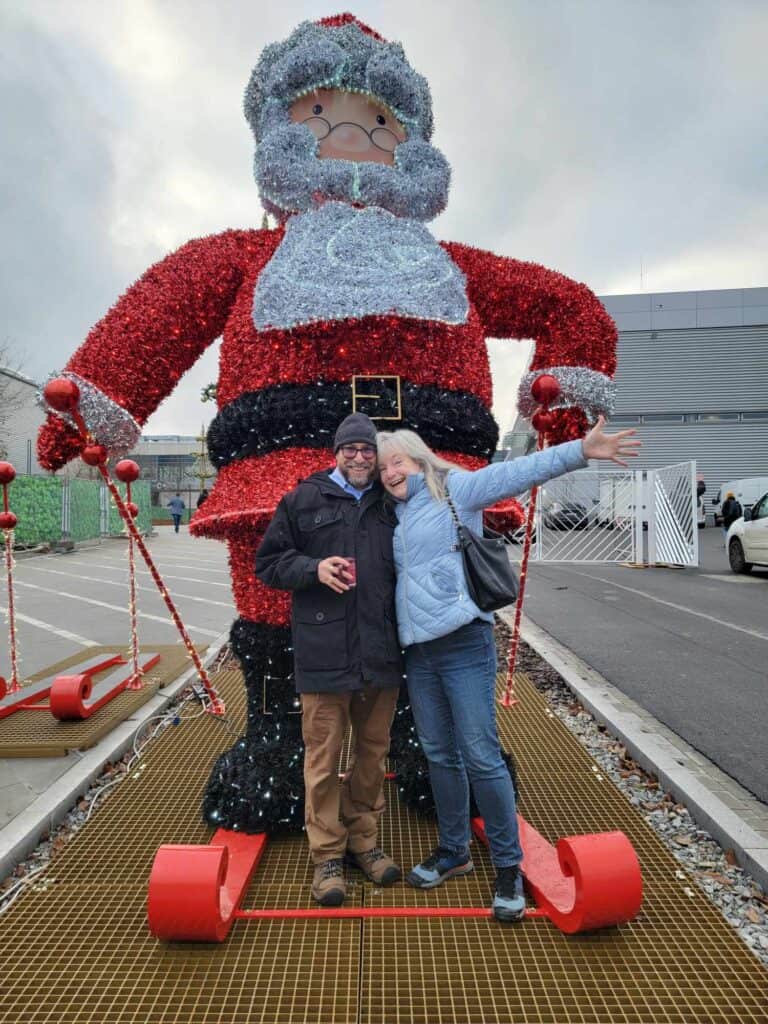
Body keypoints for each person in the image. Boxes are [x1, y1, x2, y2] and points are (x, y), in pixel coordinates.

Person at [376, 416, 641, 922]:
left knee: (480, 754)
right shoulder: (395, 516)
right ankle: (454, 852)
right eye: (385, 464)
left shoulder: (458, 490)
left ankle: (507, 866)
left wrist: (580, 450)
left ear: (420, 459)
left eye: (399, 460)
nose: (391, 471)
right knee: (438, 753)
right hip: (420, 653)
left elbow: (520, 471)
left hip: (464, 644)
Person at [256, 412, 403, 906]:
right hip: (324, 655)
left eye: (367, 450)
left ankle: (364, 841)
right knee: (321, 760)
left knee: (371, 754)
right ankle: (327, 856)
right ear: (335, 452)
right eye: (350, 449)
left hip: (380, 652)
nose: (359, 457)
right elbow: (269, 564)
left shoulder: (392, 498)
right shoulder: (303, 499)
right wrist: (313, 567)